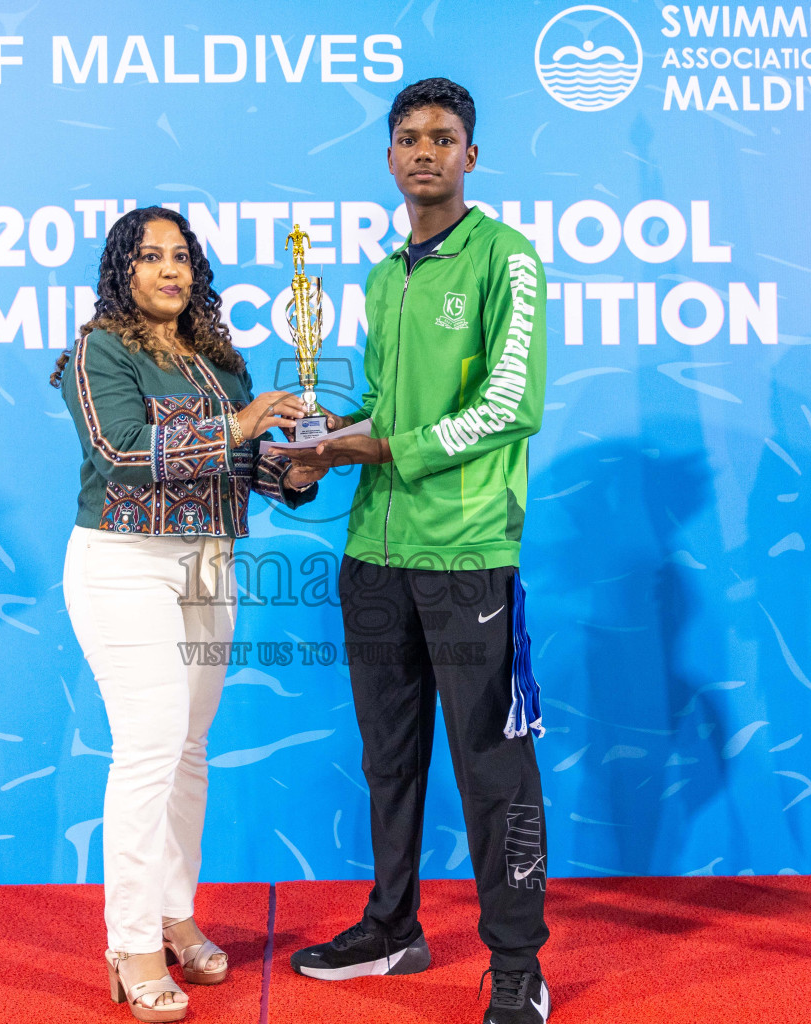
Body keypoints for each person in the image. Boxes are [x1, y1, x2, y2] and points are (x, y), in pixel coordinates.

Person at [280, 78, 552, 1023]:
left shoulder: (508, 261)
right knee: (389, 759)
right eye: (408, 138)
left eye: (444, 137)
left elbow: (509, 406)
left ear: (471, 156)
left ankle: (517, 966)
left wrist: (384, 445)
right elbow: (385, 416)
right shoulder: (380, 277)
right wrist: (320, 451)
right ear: (389, 159)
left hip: (468, 553)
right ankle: (393, 928)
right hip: (375, 555)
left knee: (493, 767)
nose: (424, 151)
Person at [51, 206, 324, 1022]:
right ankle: (129, 942)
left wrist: (300, 464)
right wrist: (239, 425)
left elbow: (249, 470)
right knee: (148, 749)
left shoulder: (218, 360)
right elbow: (124, 455)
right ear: (122, 271)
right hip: (124, 565)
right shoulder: (98, 351)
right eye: (151, 256)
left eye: (181, 257)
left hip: (210, 564)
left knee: (191, 752)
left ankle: (174, 913)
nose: (169, 270)